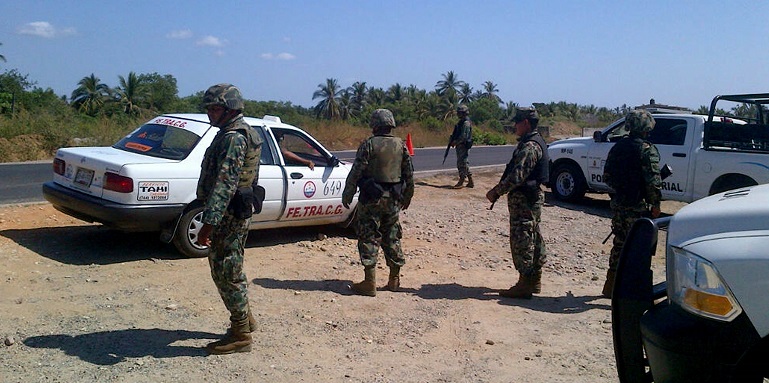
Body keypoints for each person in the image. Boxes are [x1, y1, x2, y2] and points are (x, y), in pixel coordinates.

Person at [195, 83, 262, 354]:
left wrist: (207, 224)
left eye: (215, 109)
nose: (210, 114)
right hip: (233, 211)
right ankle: (245, 318)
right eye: (209, 109)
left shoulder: (234, 137)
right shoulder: (233, 132)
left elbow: (225, 183)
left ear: (229, 109)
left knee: (226, 271)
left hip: (228, 215)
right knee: (230, 268)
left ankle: (240, 333)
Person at [342, 109, 414, 297]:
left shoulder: (368, 145)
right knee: (392, 235)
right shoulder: (401, 145)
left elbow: (356, 172)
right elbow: (409, 174)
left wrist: (348, 193)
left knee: (368, 236)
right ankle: (394, 279)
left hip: (371, 198)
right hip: (393, 199)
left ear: (374, 125)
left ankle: (370, 282)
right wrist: (408, 196)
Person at [486, 107, 549, 299]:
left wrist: (496, 192)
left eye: (517, 122)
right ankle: (533, 280)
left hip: (525, 200)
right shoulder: (534, 142)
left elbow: (517, 176)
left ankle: (525, 283)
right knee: (533, 236)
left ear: (526, 123)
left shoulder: (530, 146)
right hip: (529, 199)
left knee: (523, 239)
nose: (514, 126)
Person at [601, 109, 662, 298]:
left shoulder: (618, 147)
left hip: (620, 204)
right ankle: (633, 292)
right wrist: (655, 204)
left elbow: (607, 177)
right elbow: (653, 181)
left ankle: (611, 285)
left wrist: (623, 188)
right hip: (638, 207)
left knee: (619, 243)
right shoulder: (646, 149)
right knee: (639, 248)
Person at [450, 104, 474, 188]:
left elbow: (463, 137)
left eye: (459, 112)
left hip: (463, 145)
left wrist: (455, 142)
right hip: (460, 145)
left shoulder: (466, 123)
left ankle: (462, 180)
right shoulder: (461, 122)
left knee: (462, 163)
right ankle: (470, 181)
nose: (458, 114)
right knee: (463, 163)